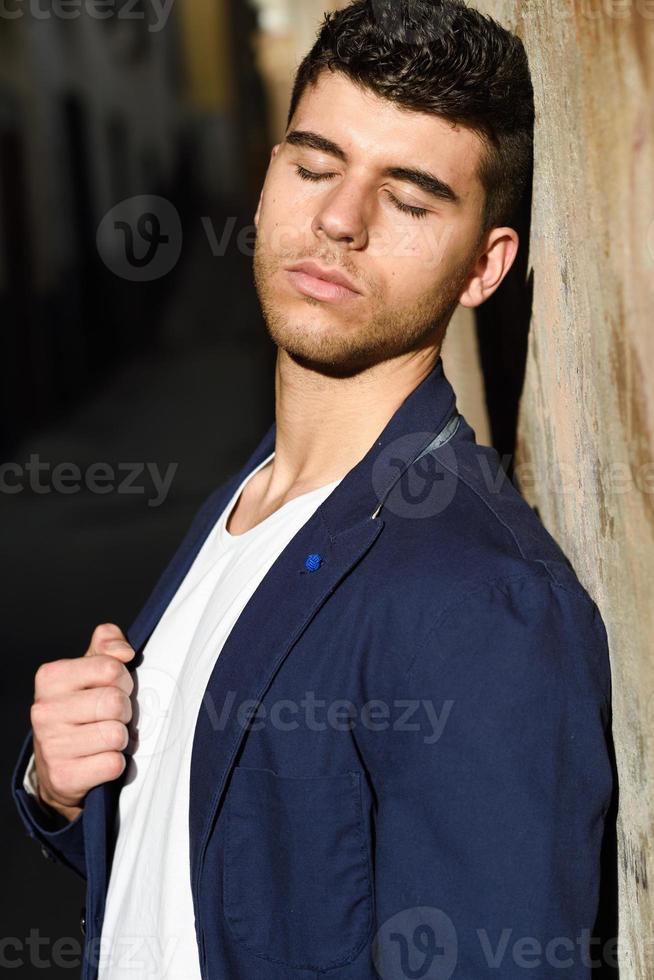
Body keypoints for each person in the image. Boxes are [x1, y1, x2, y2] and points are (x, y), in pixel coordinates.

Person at [12, 2, 614, 978]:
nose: (339, 219)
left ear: (483, 266)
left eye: (410, 198)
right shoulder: (249, 497)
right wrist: (64, 789)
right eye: (314, 164)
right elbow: (239, 878)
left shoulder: (480, 603)